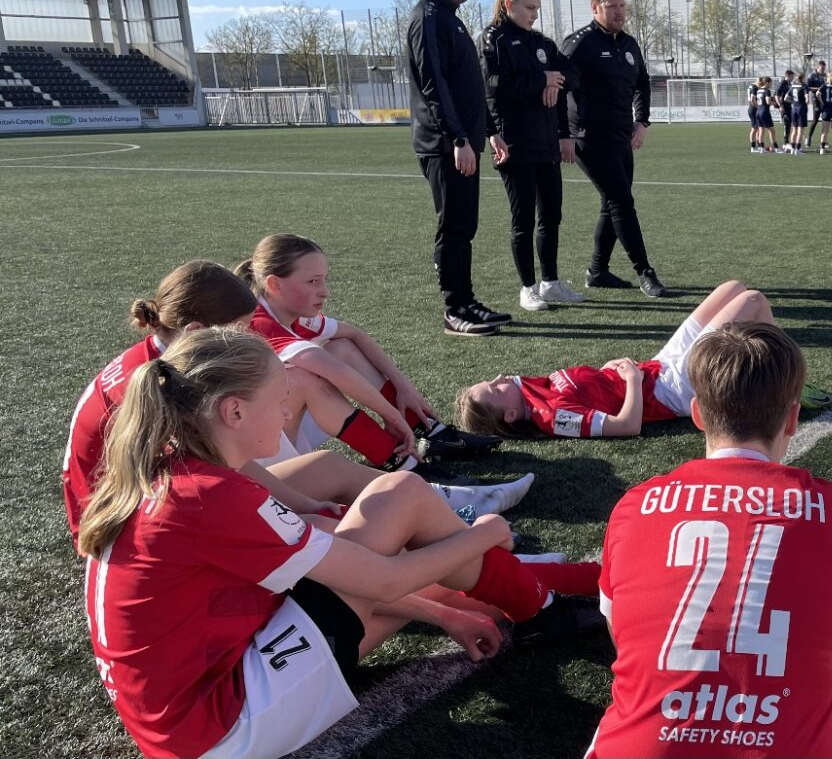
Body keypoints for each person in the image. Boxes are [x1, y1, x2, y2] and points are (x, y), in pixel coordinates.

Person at [80, 327, 603, 759]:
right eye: (279, 401)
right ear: (233, 413)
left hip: (189, 711)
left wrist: (442, 615)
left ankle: (554, 598)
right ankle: (547, 604)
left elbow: (358, 576)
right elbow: (386, 578)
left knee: (393, 559)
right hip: (222, 729)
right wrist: (486, 534)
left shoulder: (170, 465)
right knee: (401, 494)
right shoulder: (211, 495)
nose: (288, 412)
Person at [588, 322, 832, 758]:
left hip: (639, 748)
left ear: (698, 413)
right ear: (793, 418)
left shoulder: (634, 505)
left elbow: (620, 632)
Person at [64, 261, 532, 545]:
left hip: (156, 508)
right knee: (344, 540)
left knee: (326, 477)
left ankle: (440, 506)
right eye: (240, 331)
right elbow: (218, 483)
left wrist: (310, 501)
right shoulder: (161, 390)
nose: (250, 338)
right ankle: (447, 531)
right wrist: (309, 510)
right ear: (193, 334)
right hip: (135, 531)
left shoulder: (164, 366)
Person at [239, 234, 501, 470]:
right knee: (305, 379)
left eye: (324, 279)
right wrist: (392, 415)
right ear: (274, 285)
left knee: (341, 348)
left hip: (273, 425)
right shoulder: (258, 322)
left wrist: (404, 388)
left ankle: (430, 432)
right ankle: (399, 461)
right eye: (313, 281)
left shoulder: (285, 309)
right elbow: (334, 371)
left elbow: (353, 335)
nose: (325, 291)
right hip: (252, 453)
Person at [456, 282, 784, 440]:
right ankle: (781, 377)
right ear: (511, 415)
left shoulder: (531, 389)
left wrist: (609, 370)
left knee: (732, 289)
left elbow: (591, 391)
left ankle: (771, 368)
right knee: (752, 301)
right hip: (673, 389)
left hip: (657, 368)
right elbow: (627, 426)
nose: (500, 378)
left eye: (492, 380)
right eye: (495, 389)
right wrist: (631, 380)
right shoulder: (553, 418)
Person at [407, 0, 512, 337]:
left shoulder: (449, 18)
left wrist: (488, 131)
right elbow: (434, 84)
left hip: (464, 141)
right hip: (444, 144)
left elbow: (468, 86)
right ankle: (454, 308)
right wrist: (456, 138)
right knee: (453, 225)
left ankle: (466, 300)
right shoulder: (428, 18)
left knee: (464, 225)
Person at [481, 0, 587, 314]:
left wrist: (556, 80)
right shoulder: (493, 39)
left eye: (538, 8)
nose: (535, 14)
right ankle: (527, 288)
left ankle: (551, 283)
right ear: (509, 4)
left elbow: (574, 74)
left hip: (545, 143)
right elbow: (493, 85)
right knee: (523, 218)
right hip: (513, 143)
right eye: (530, 8)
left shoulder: (541, 42)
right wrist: (539, 79)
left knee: (552, 214)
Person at [559, 0, 667, 298]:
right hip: (588, 139)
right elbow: (557, 90)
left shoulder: (630, 44)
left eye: (622, 5)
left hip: (621, 138)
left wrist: (641, 121)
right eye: (611, 6)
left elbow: (643, 84)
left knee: (612, 203)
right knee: (621, 201)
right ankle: (644, 272)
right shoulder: (579, 44)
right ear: (595, 7)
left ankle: (597, 271)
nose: (619, 12)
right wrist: (561, 135)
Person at [804, 59, 828, 146]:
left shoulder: (825, 75)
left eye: (824, 69)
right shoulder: (811, 75)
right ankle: (809, 138)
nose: (823, 70)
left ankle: (823, 140)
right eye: (822, 69)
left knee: (825, 120)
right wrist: (818, 89)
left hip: (825, 100)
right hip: (816, 100)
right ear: (817, 67)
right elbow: (808, 87)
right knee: (815, 120)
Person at [787, 72, 809, 156]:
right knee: (800, 130)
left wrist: (794, 102)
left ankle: (792, 149)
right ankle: (798, 149)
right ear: (803, 78)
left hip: (794, 109)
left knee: (794, 130)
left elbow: (786, 98)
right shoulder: (804, 86)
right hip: (801, 109)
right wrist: (804, 103)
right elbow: (807, 99)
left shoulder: (793, 86)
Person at [756, 76, 779, 153]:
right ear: (767, 83)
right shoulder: (767, 90)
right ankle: (776, 148)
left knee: (761, 130)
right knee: (771, 130)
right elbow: (768, 102)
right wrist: (774, 103)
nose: (771, 85)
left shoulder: (759, 90)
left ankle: (761, 148)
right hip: (764, 112)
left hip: (758, 112)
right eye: (770, 83)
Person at [777, 70, 795, 152]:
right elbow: (777, 96)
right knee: (786, 124)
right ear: (787, 75)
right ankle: (785, 143)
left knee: (789, 124)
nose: (793, 78)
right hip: (784, 107)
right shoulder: (783, 83)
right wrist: (780, 106)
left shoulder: (789, 84)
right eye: (792, 76)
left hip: (789, 107)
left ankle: (787, 143)